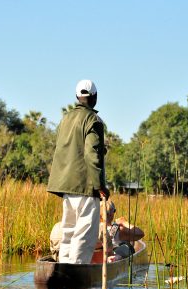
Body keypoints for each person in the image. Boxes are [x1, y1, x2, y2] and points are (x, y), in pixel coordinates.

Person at [47, 79, 109, 264]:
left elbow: (70, 148)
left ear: (77, 97)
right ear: (95, 98)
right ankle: (77, 274)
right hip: (86, 187)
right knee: (84, 235)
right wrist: (100, 186)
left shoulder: (65, 119)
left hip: (67, 187)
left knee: (68, 231)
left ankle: (65, 268)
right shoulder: (93, 120)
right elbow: (91, 154)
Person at [91, 199, 145, 263]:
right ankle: (116, 257)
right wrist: (124, 222)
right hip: (109, 254)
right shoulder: (118, 229)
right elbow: (140, 234)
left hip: (95, 257)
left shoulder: (90, 227)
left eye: (113, 211)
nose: (111, 214)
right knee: (127, 246)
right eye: (110, 212)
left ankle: (112, 258)